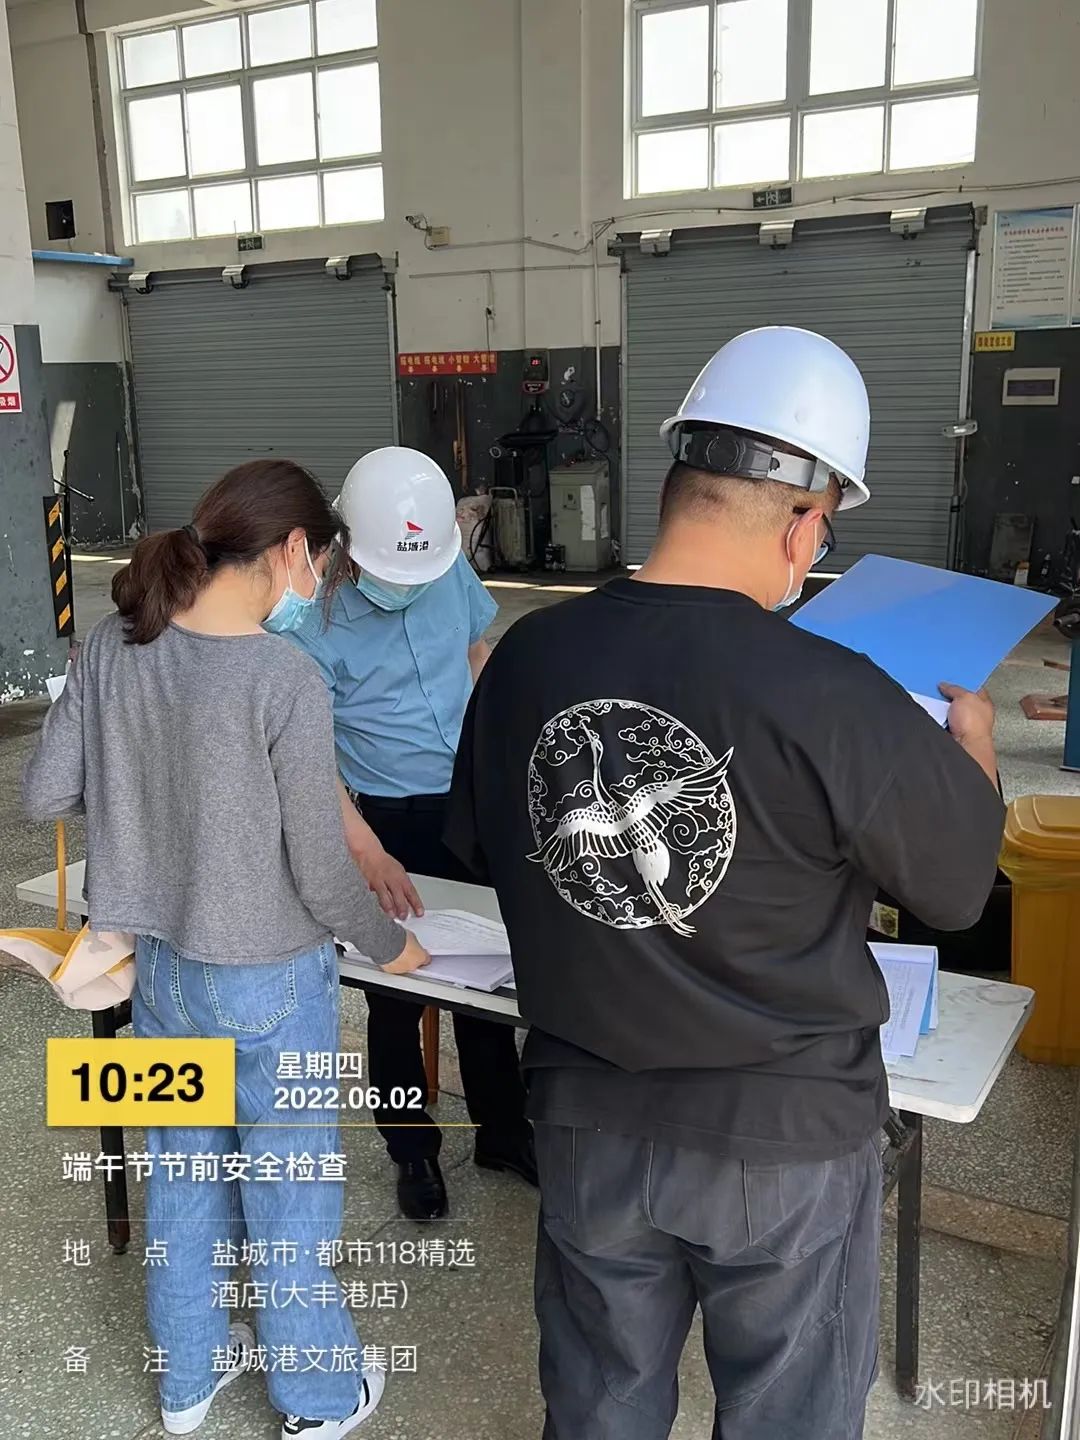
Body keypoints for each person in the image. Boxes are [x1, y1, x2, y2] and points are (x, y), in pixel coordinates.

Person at [445, 326, 1007, 1440]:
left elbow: (485, 847)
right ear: (803, 525)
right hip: (784, 1137)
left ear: (675, 487)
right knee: (788, 1417)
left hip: (588, 1122)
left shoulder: (527, 658)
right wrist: (973, 752)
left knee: (599, 1410)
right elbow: (955, 891)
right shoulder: (837, 692)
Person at [24, 460, 429, 1440]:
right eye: (320, 564)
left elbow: (44, 793)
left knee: (182, 1177)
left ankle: (187, 1384)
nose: (315, 587)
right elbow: (324, 872)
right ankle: (318, 1399)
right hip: (272, 982)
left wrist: (142, 790)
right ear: (291, 551)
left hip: (159, 975)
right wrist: (394, 950)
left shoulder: (116, 644)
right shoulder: (280, 676)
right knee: (289, 1192)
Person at [287, 446, 534, 1221]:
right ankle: (412, 1150)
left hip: (472, 799)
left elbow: (475, 651)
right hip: (387, 821)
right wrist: (364, 848)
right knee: (396, 990)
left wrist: (503, 756)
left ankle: (503, 1131)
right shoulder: (311, 614)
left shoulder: (443, 561)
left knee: (489, 974)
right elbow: (304, 754)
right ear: (349, 544)